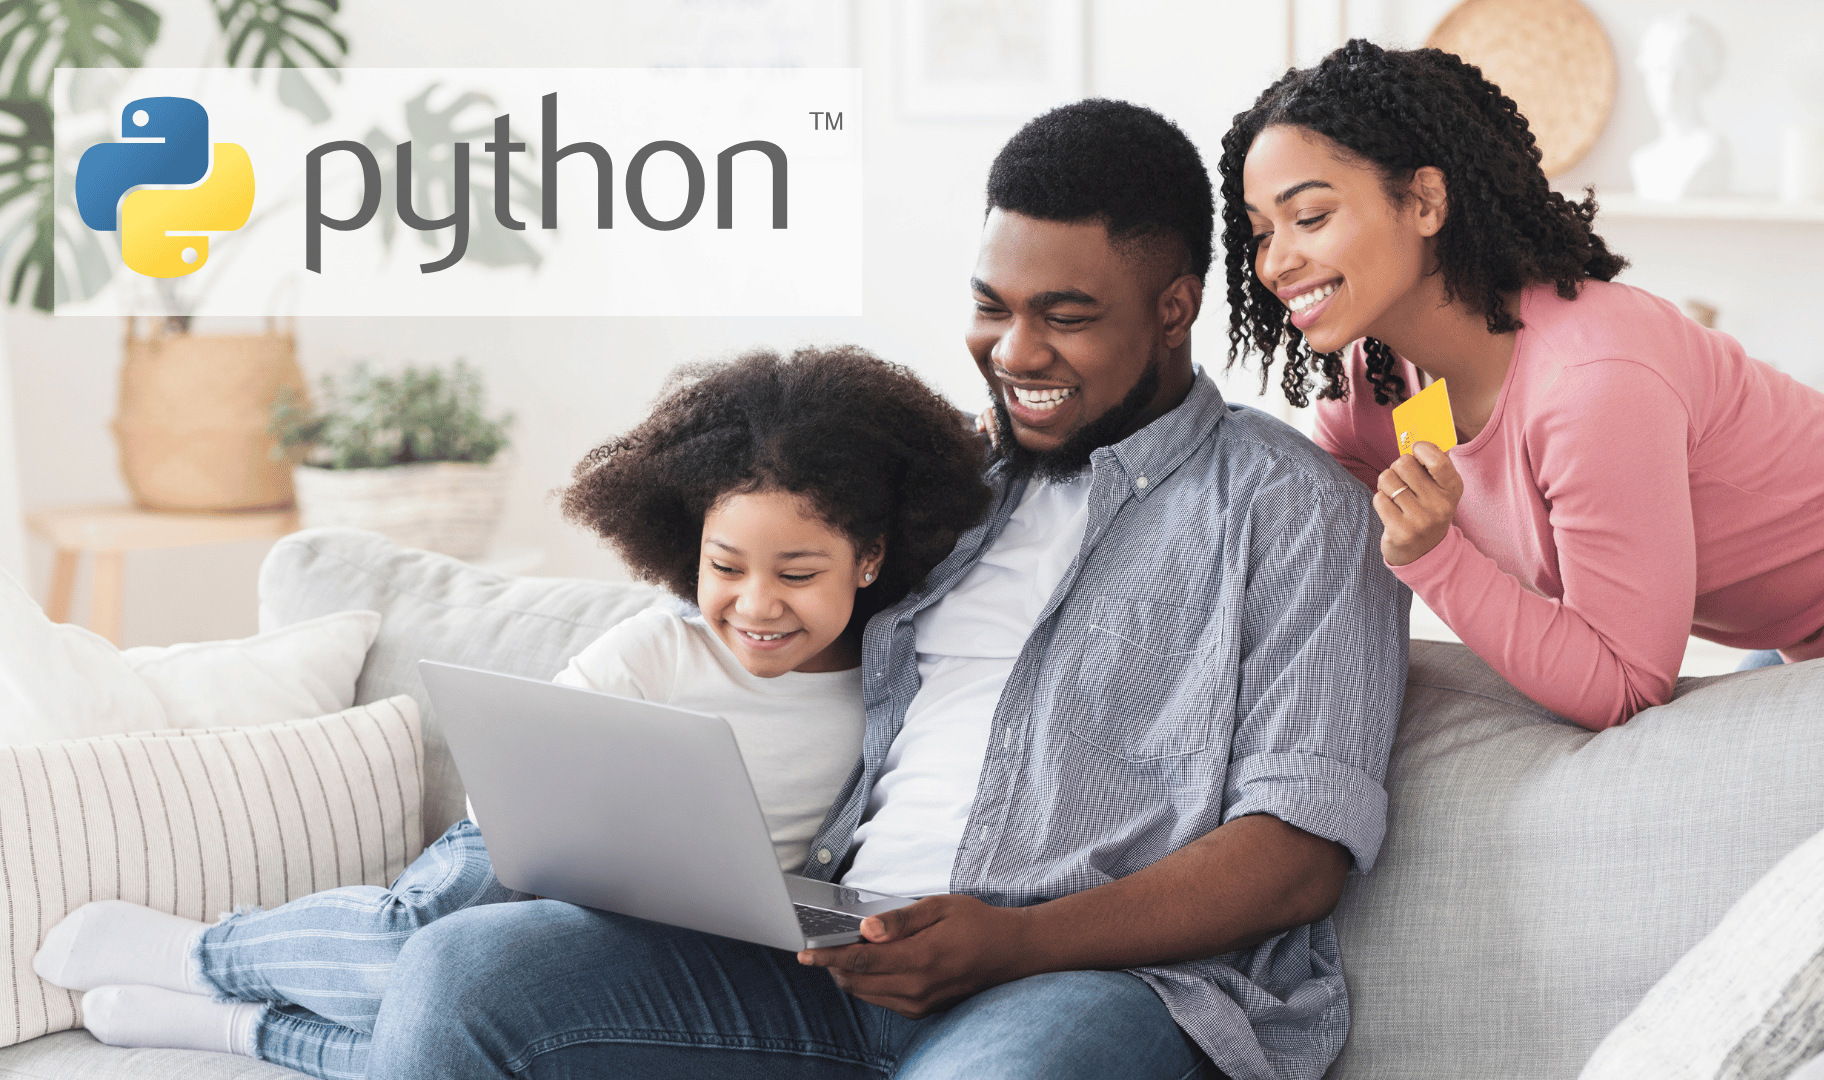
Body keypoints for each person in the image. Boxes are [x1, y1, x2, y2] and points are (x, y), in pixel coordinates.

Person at [343, 99, 1407, 1080]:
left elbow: (1296, 856)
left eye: (1067, 316)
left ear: (1174, 307)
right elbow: (749, 606)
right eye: (993, 306)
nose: (1015, 349)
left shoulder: (1296, 511)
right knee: (465, 976)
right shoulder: (939, 485)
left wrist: (1015, 941)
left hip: (1089, 985)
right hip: (840, 954)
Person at [32, 345, 992, 1079]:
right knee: (414, 947)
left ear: (869, 558)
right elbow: (533, 777)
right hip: (523, 854)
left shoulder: (892, 681)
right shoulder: (658, 647)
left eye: (798, 574)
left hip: (681, 930)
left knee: (468, 1024)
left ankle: (245, 1029)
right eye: (725, 569)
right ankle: (204, 955)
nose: (755, 604)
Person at [1219, 40, 1824, 731]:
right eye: (1258, 233)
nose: (1276, 261)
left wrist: (1435, 556)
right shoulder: (1379, 391)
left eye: (1310, 217)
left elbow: (1624, 685)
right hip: (1804, 637)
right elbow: (1317, 570)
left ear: (1427, 201)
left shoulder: (1591, 384)